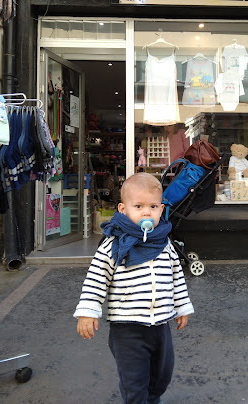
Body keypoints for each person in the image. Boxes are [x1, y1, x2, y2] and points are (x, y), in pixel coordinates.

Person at [74, 172, 194, 404]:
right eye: (138, 206)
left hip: (160, 325)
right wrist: (88, 311)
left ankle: (152, 398)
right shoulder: (114, 243)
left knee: (162, 375)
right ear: (123, 209)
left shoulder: (164, 243)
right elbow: (97, 278)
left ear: (161, 209)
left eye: (153, 206)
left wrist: (182, 306)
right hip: (127, 329)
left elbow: (176, 275)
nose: (147, 212)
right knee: (134, 381)